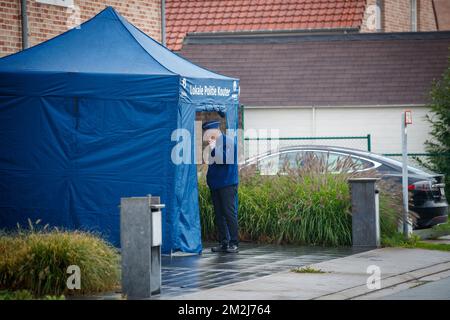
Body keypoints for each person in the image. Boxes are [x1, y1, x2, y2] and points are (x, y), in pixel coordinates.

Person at [202, 119, 239, 253]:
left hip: (227, 184)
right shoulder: (214, 144)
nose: (206, 136)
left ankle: (234, 243)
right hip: (216, 184)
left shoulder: (229, 142)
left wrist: (213, 148)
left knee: (229, 213)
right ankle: (224, 242)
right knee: (219, 215)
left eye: (208, 133)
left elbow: (224, 161)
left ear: (215, 131)